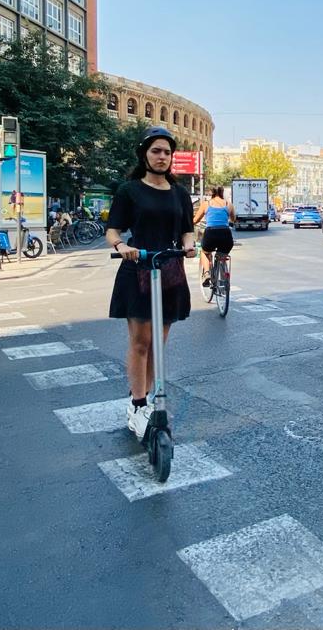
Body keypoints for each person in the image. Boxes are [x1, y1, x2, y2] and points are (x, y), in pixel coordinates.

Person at [105, 126, 196, 440]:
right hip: (138, 266)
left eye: (167, 152)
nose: (162, 157)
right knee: (141, 341)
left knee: (159, 342)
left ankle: (150, 398)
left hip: (169, 268)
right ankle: (137, 403)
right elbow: (113, 230)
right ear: (144, 154)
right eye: (156, 151)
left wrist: (189, 245)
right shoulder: (129, 191)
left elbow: (187, 230)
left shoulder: (179, 193)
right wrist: (121, 246)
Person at [192, 185, 235, 286]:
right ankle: (224, 275)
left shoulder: (206, 204)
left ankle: (207, 273)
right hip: (225, 234)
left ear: (211, 192)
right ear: (222, 192)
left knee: (204, 252)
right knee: (222, 254)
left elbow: (195, 220)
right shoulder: (229, 204)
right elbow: (233, 219)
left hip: (211, 233)